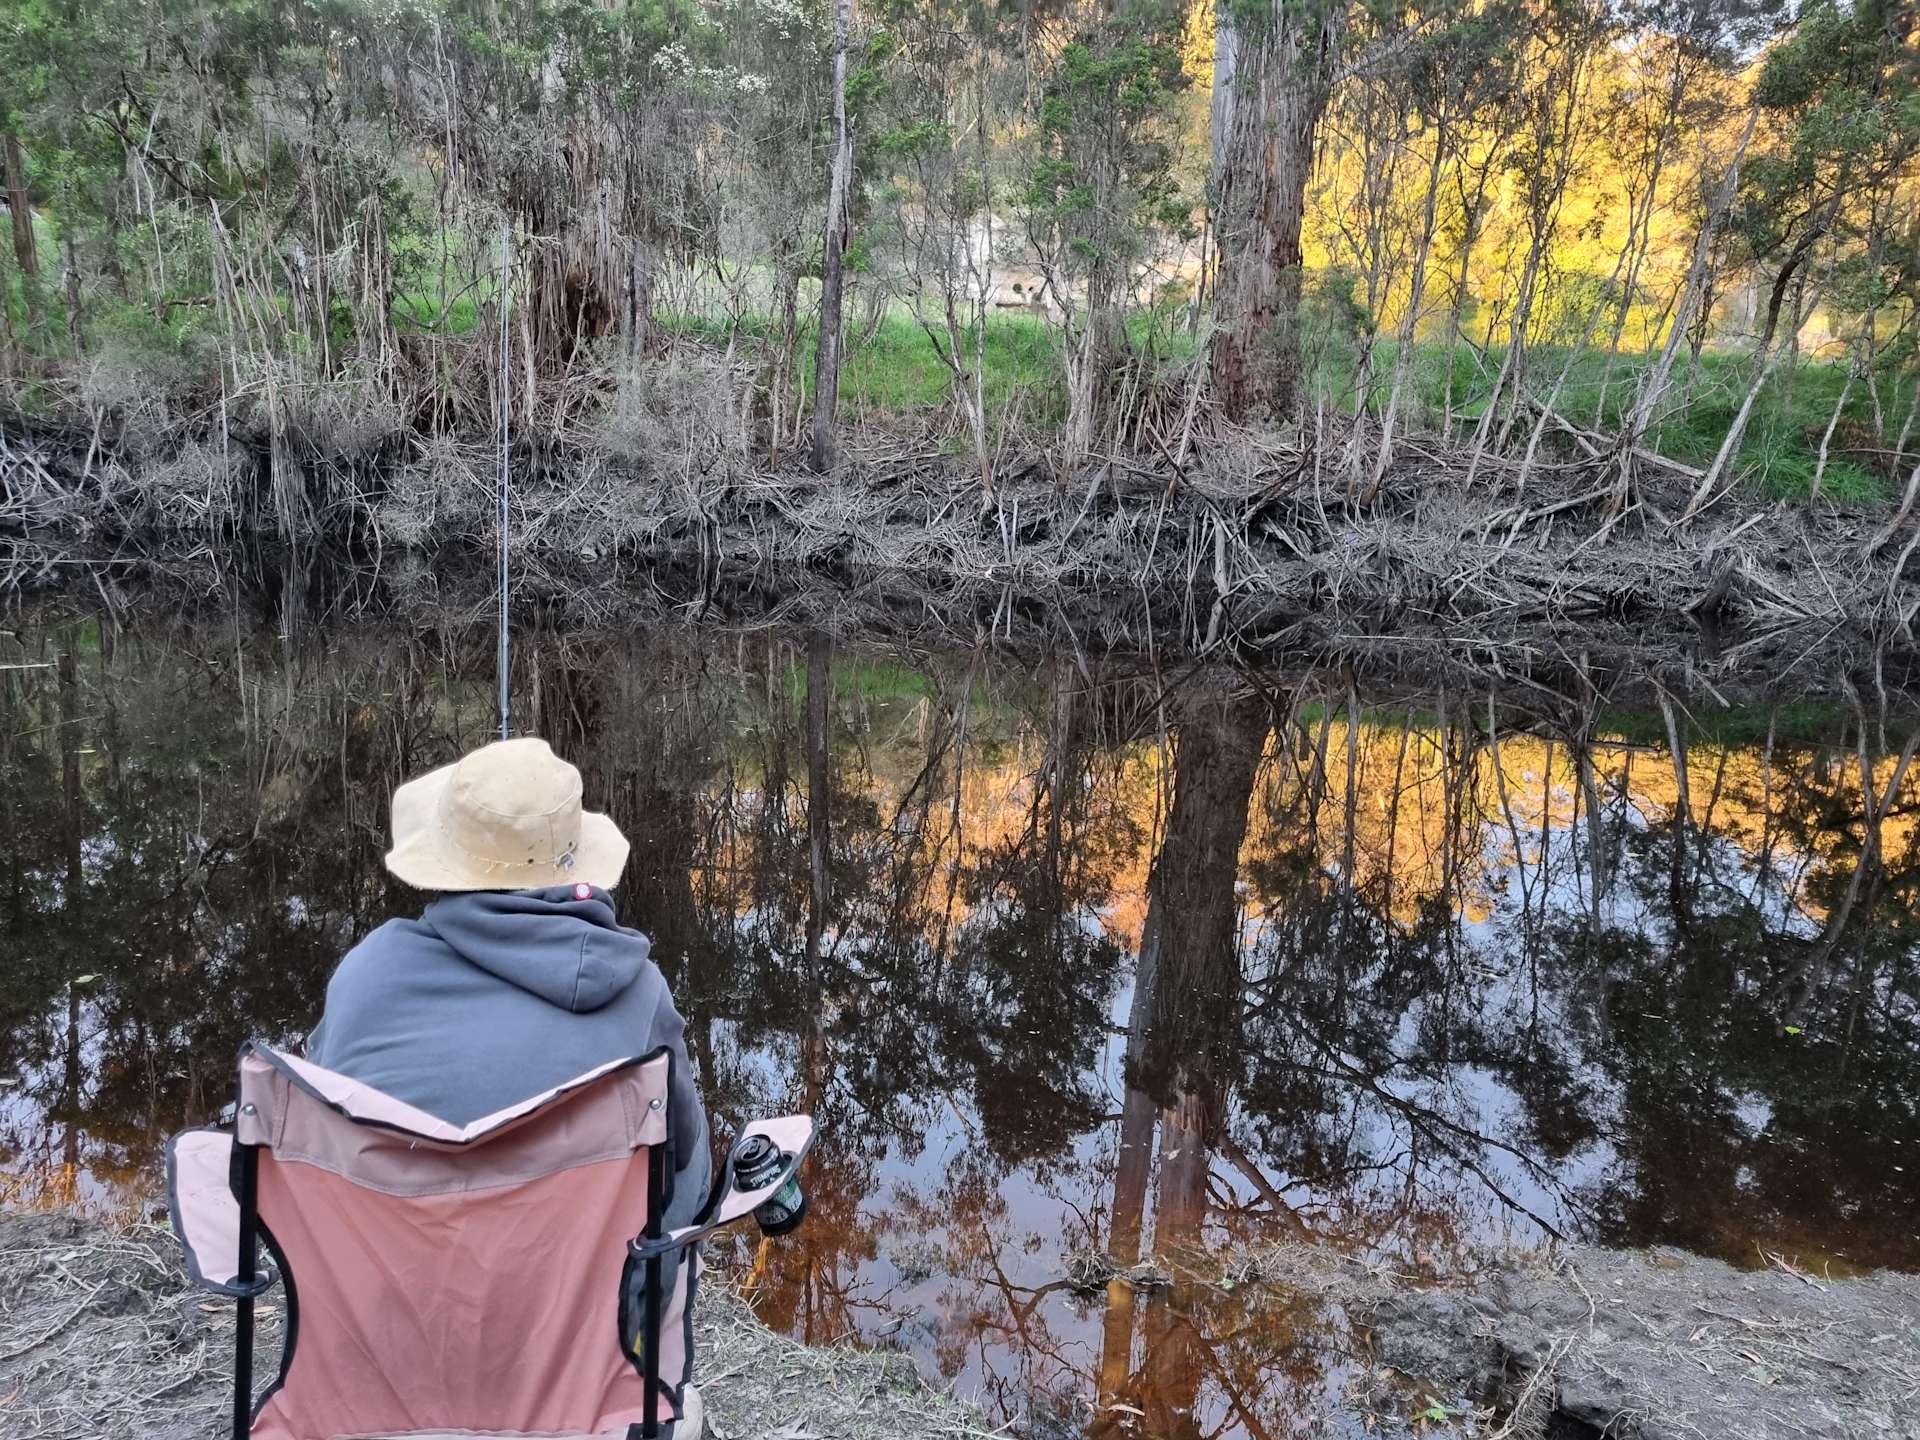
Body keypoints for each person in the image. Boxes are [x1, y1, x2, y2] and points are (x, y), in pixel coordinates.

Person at [304, 735, 711, 1431]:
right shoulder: (637, 994)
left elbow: (319, 1131)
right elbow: (687, 1170)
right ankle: (645, 1388)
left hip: (381, 1357)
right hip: (574, 1366)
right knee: (684, 1182)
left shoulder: (364, 975)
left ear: (449, 860)